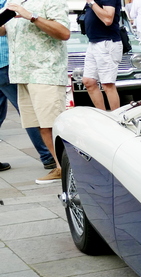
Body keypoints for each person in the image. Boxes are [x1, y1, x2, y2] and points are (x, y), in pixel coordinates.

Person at [0, 0, 69, 184]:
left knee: (52, 125)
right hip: (21, 74)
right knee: (40, 126)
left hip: (45, 72)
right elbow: (4, 30)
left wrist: (32, 16)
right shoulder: (12, 2)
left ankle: (72, 169)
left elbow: (63, 33)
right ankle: (60, 167)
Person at [81, 0, 124, 111]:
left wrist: (91, 3)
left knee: (107, 84)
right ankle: (102, 116)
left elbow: (108, 19)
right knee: (88, 81)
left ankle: (116, 120)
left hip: (106, 42)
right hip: (94, 42)